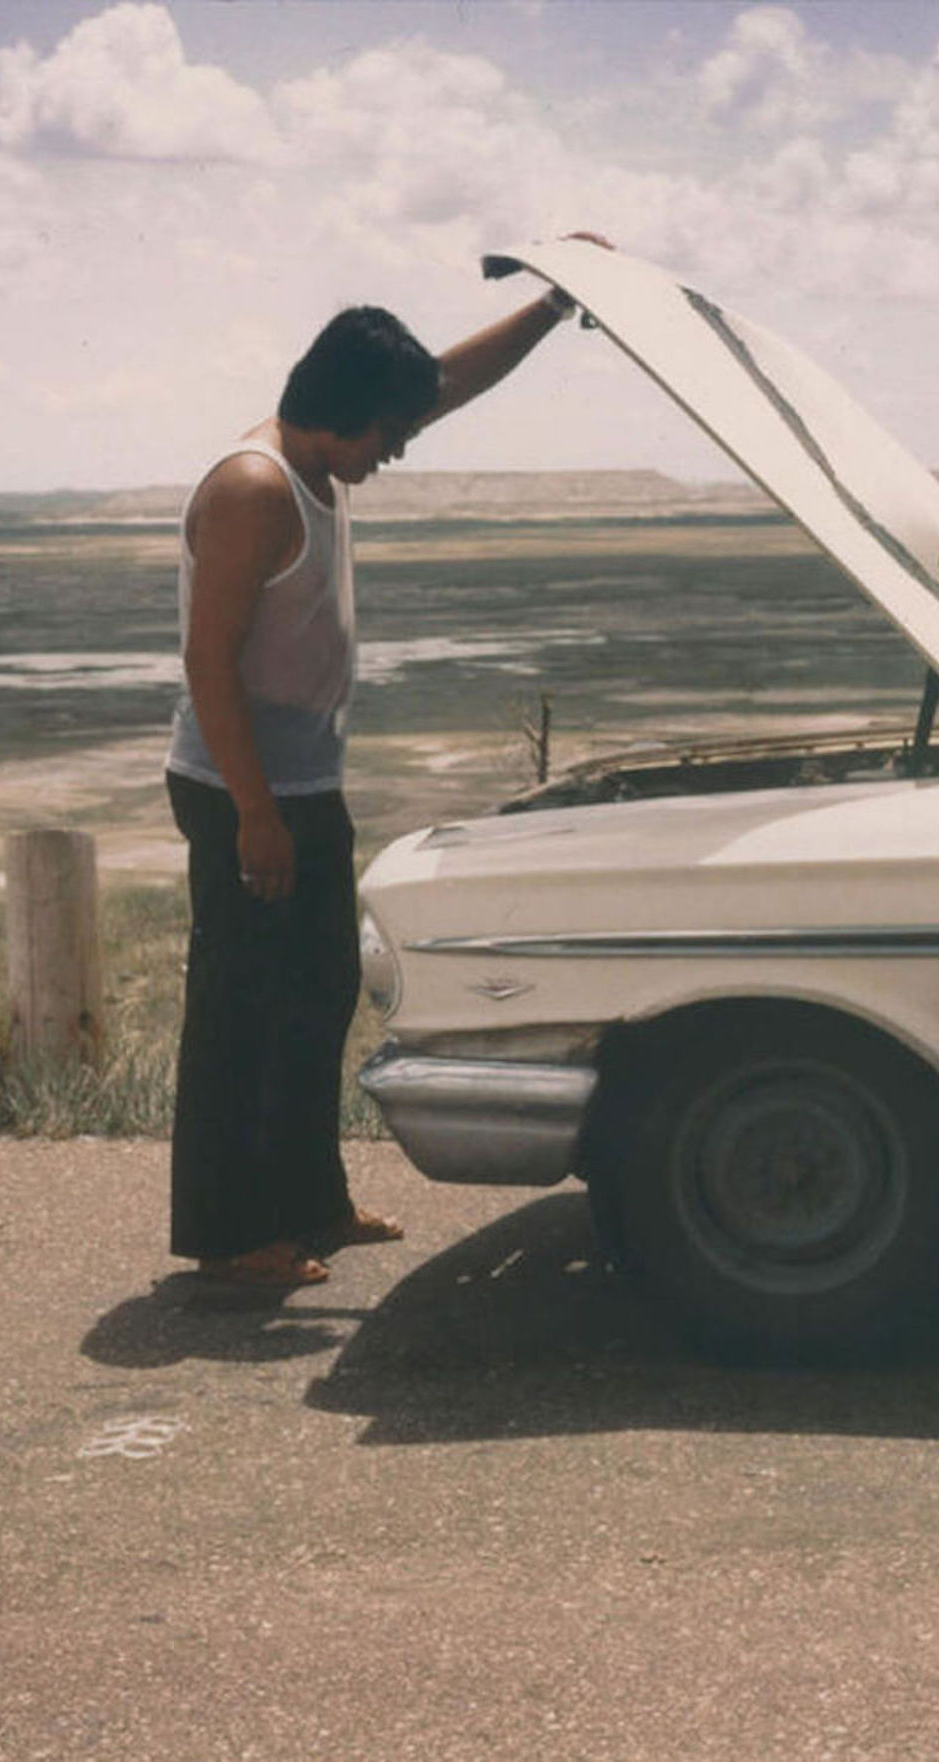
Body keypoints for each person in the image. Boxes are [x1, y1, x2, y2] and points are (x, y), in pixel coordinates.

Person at [164, 256, 596, 1286]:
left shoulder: (322, 453)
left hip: (297, 781)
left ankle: (307, 1206)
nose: (396, 454)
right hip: (241, 788)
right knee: (243, 1009)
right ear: (342, 416)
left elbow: (443, 386)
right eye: (389, 437)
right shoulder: (254, 488)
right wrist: (255, 818)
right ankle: (230, 1242)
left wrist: (551, 303)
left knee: (313, 995)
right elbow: (206, 663)